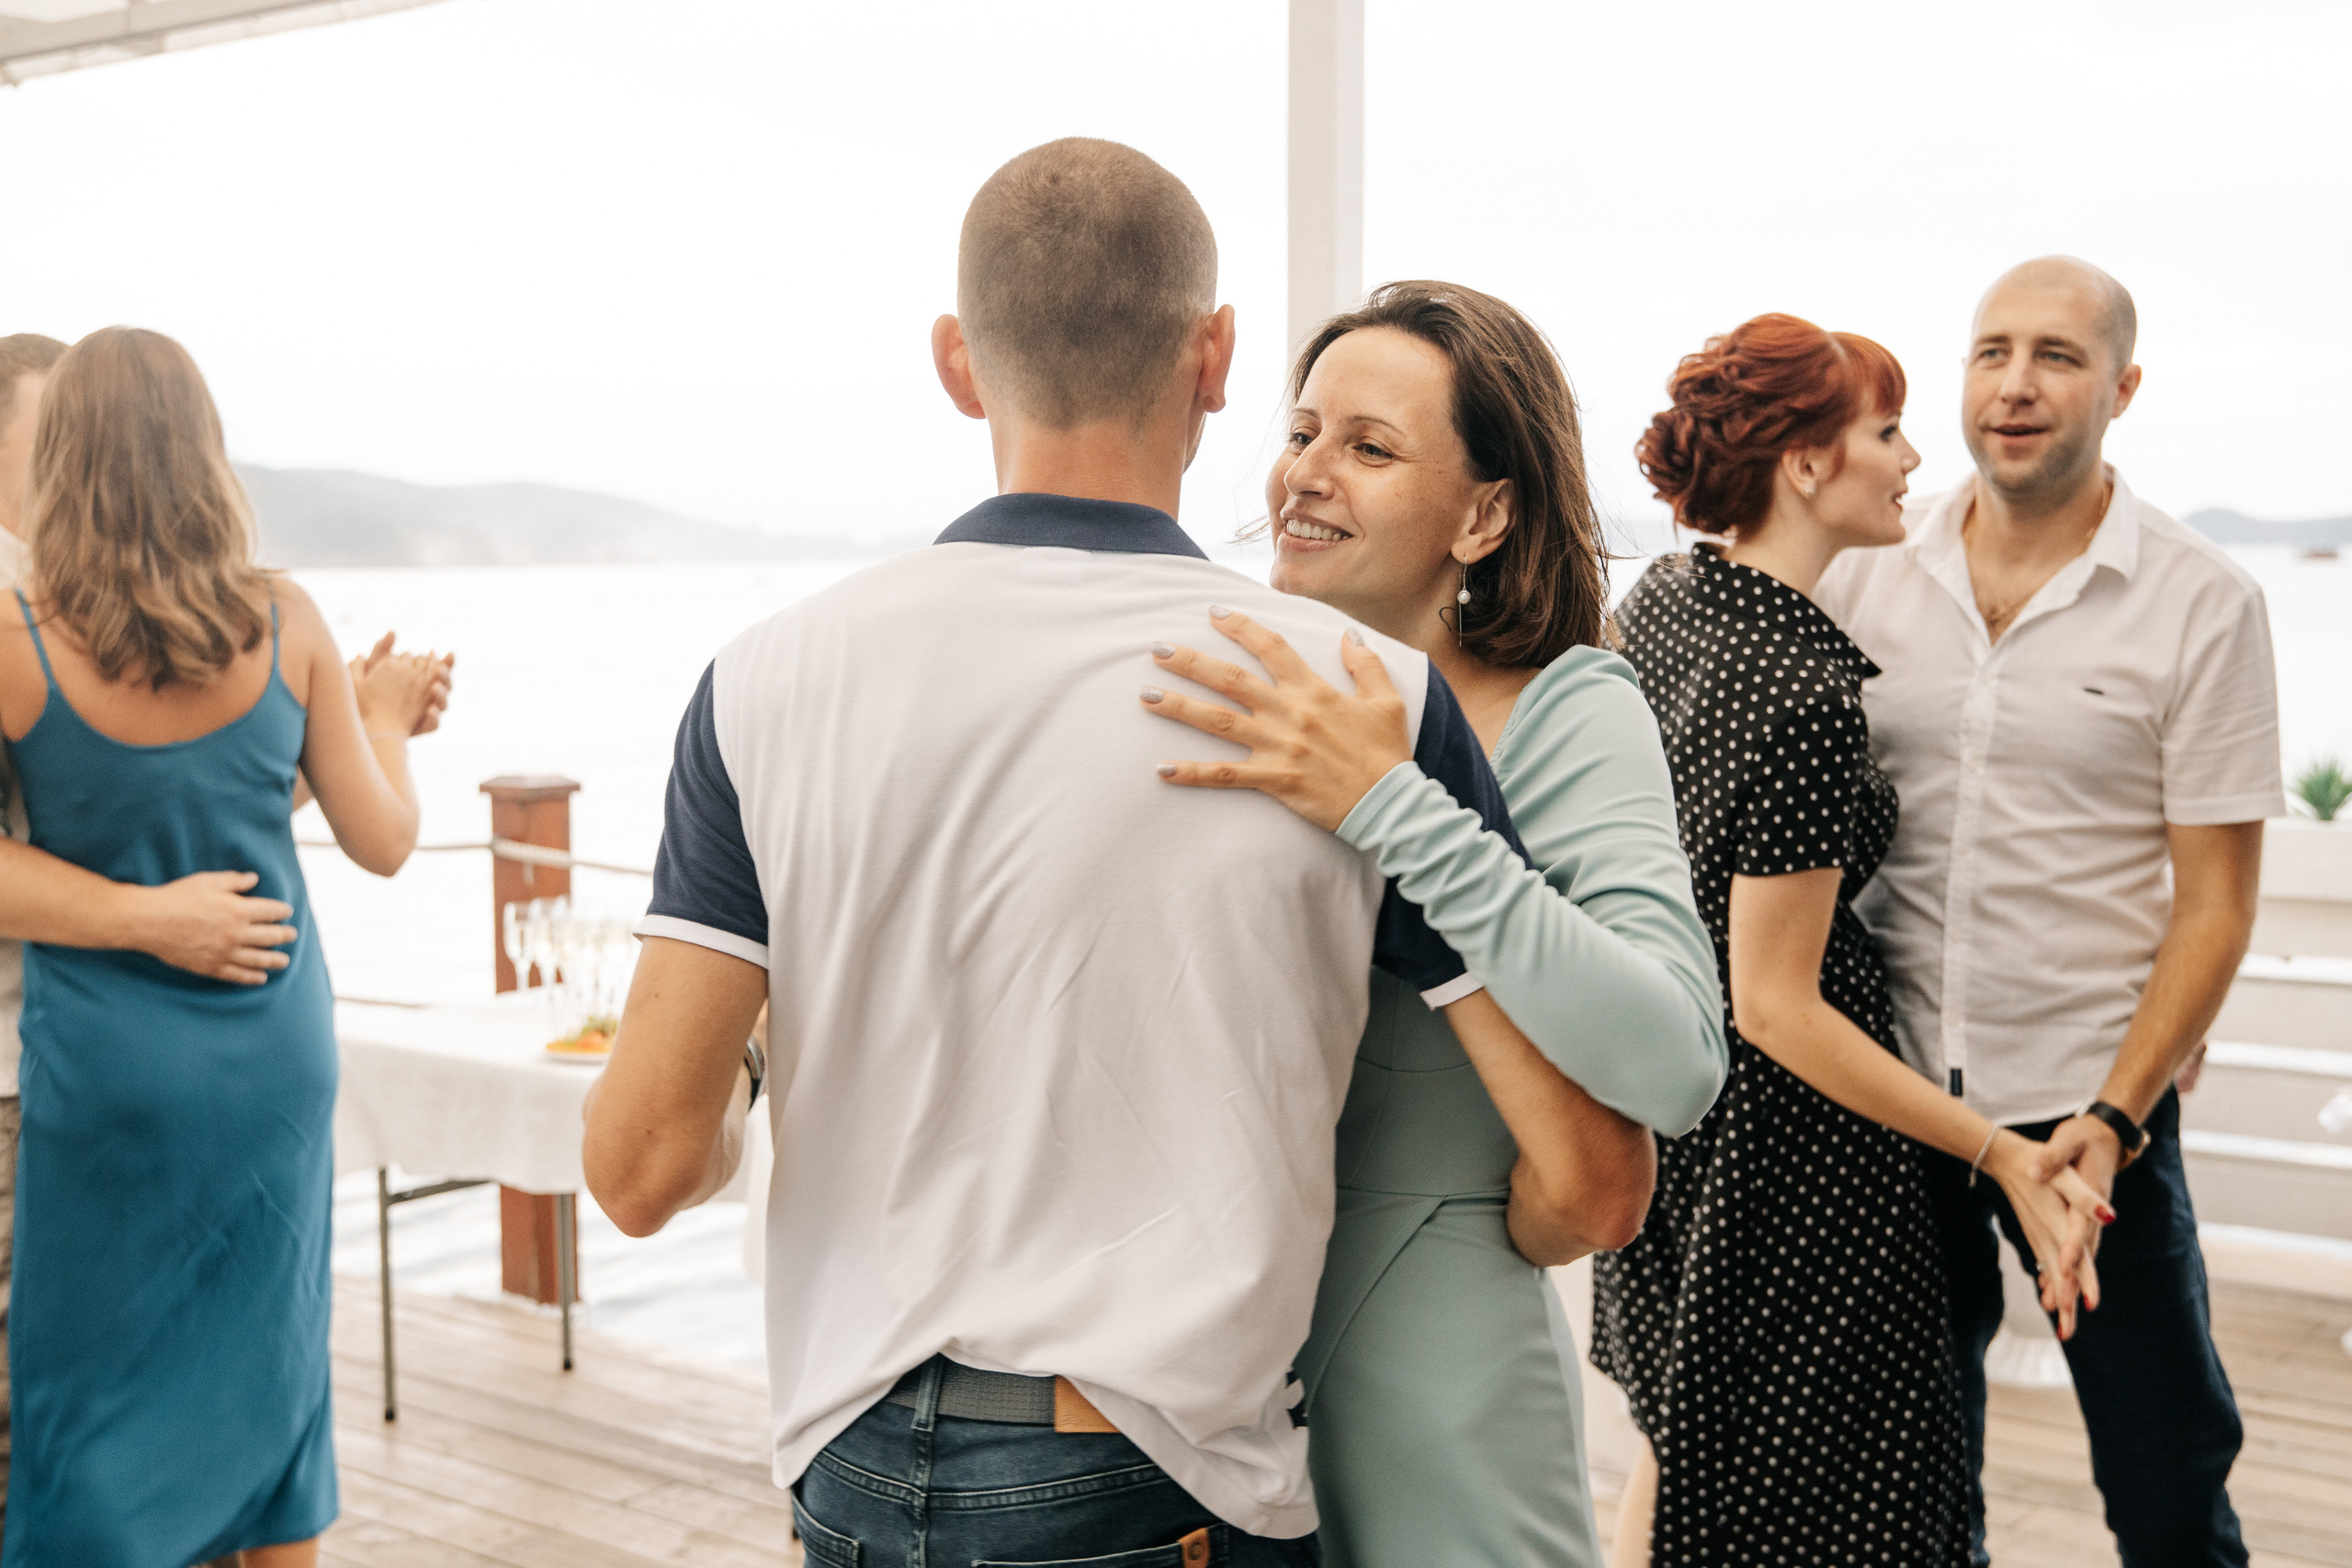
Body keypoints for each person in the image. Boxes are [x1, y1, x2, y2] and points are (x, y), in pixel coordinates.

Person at [583, 140, 1552, 1563]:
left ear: (956, 364)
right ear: (1216, 358)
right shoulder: (1361, 699)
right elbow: (1584, 1165)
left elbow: (640, 1169)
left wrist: (764, 1053)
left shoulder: (765, 681)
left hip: (852, 1475)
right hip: (1157, 1476)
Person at [1138, 280, 1726, 1567]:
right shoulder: (1232, 693)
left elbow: (1677, 1058)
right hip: (1204, 1396)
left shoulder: (1568, 709)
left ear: (1485, 515)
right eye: (1304, 432)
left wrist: (1398, 808)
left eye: (1370, 448)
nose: (1307, 473)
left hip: (1439, 1402)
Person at [1586, 313, 2112, 1567]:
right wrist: (1997, 1149)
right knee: (1858, 1507)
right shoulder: (1805, 697)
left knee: (1684, 1454)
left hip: (1671, 1103)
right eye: (1887, 431)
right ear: (1809, 462)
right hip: (1793, 1162)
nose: (1914, 458)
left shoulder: (1661, 605)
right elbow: (1777, 1003)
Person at [1814, 259, 2280, 1567]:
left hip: (2094, 1108)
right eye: (1992, 351)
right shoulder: (1864, 568)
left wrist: (2119, 1116)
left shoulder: (2204, 602)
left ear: (2123, 389)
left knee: (2168, 1472)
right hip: (1895, 1101)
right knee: (1913, 1491)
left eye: (2058, 357)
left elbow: (2218, 905)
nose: (2015, 385)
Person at [0, 327, 444, 1568]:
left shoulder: (18, 643)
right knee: (275, 1376)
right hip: (270, 1052)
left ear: (64, 457)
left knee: (89, 1387)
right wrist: (386, 721)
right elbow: (384, 839)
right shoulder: (287, 619)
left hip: (107, 1069)